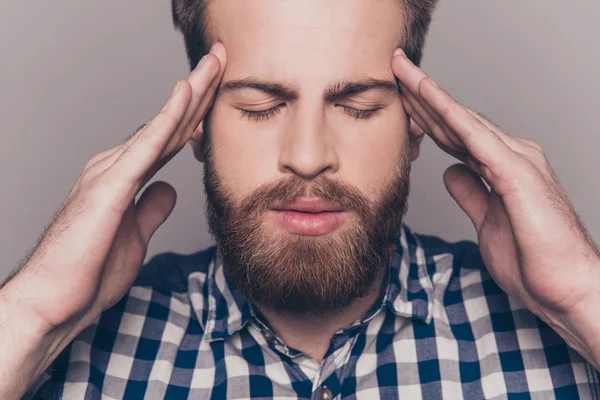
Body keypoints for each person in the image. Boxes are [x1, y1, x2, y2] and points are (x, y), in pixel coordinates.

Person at [1, 0, 599, 398]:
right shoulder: (62, 360)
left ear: (418, 123)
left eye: (358, 106)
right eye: (261, 106)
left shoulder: (571, 342)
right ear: (196, 125)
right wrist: (32, 317)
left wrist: (582, 296)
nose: (309, 155)